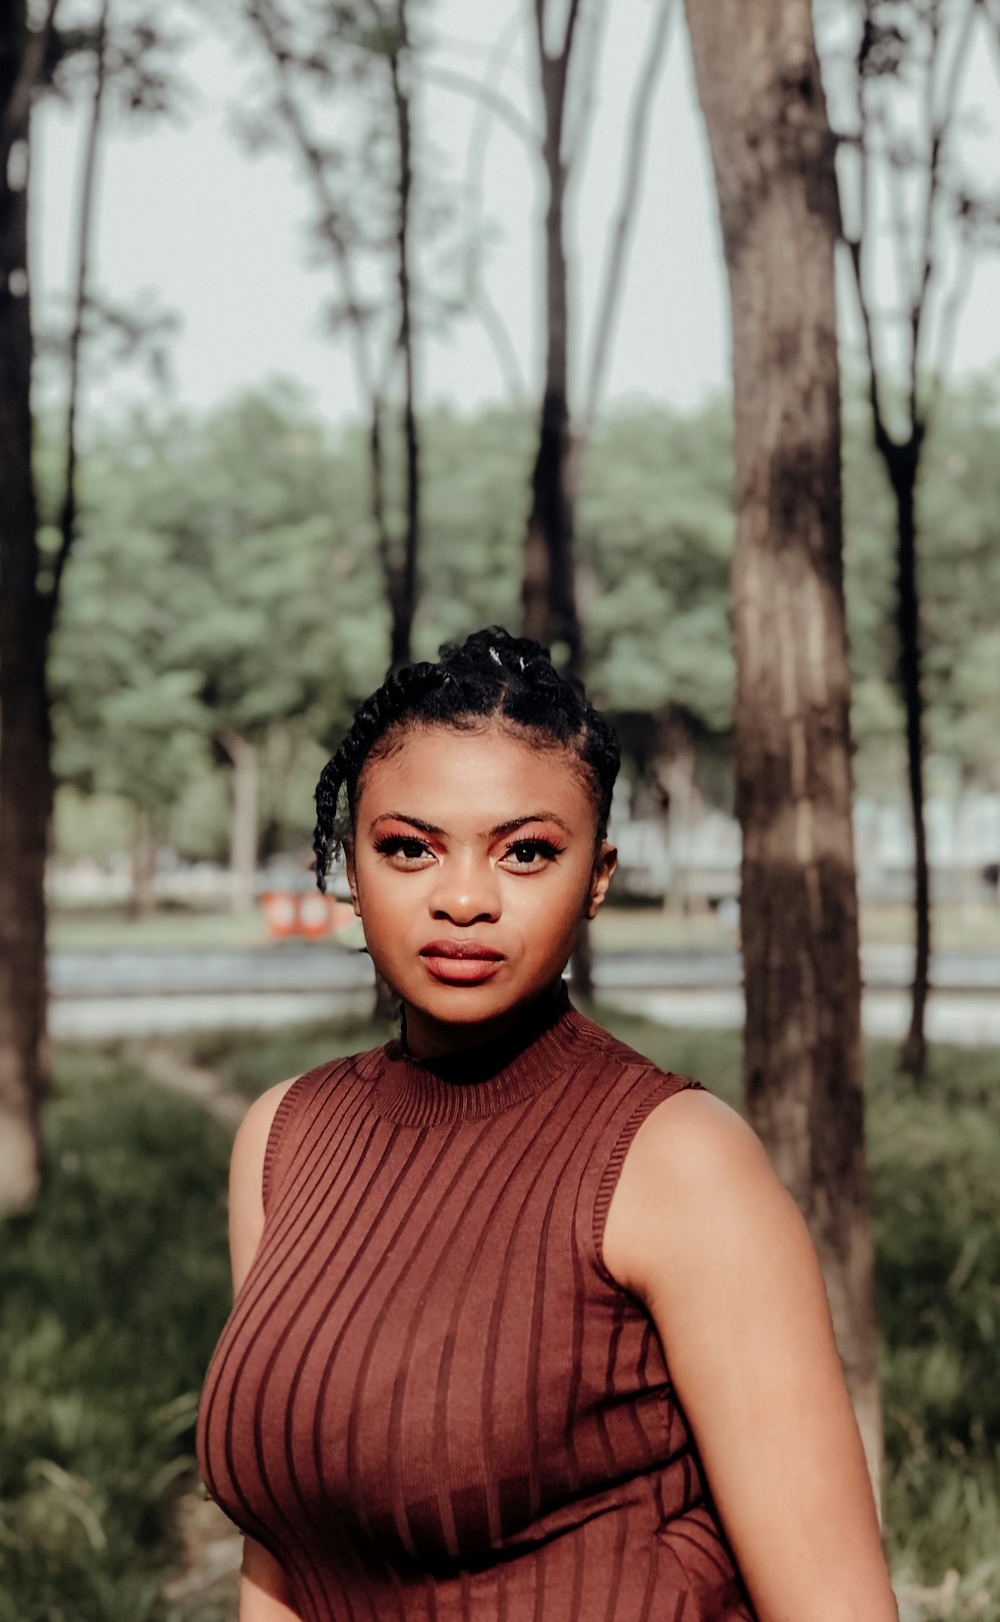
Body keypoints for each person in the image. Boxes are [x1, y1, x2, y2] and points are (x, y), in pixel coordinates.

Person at [196, 627, 899, 1622]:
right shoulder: (281, 1138)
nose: (466, 898)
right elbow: (281, 1560)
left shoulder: (676, 1159)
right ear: (350, 867)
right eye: (409, 847)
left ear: (597, 878)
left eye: (526, 852)